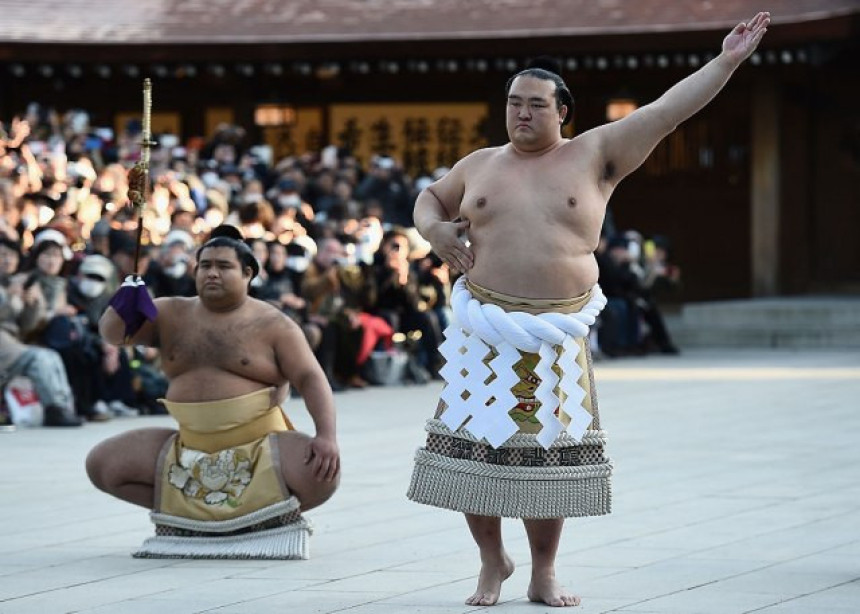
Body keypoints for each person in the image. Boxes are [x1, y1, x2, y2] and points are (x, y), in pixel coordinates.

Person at [407, 13, 769, 607]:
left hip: (555, 330)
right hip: (485, 328)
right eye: (514, 103)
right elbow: (429, 198)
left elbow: (667, 111)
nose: (522, 114)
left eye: (536, 105)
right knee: (472, 453)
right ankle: (492, 560)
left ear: (562, 113)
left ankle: (543, 572)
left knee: (551, 458)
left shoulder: (595, 153)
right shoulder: (479, 163)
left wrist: (726, 61)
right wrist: (434, 231)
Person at [86, 224, 340, 559]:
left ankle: (257, 515)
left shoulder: (273, 324)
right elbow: (114, 334)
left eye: (223, 266)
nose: (212, 273)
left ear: (248, 273)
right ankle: (193, 516)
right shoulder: (169, 312)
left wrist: (326, 435)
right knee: (103, 464)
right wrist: (126, 297)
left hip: (258, 447)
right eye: (205, 266)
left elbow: (310, 377)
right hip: (189, 446)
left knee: (321, 474)